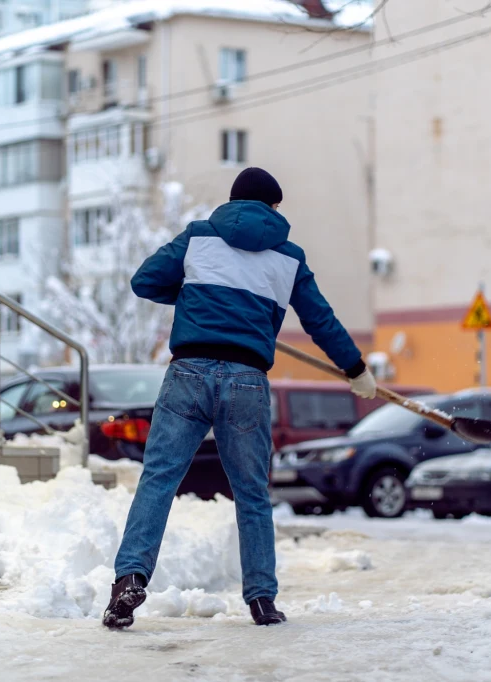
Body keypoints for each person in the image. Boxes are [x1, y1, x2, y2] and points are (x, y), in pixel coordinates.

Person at [103, 167, 377, 629]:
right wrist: (355, 369)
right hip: (247, 380)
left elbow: (144, 281)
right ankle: (262, 599)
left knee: (159, 480)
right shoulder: (289, 257)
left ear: (232, 203)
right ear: (273, 208)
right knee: (251, 493)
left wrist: (196, 294)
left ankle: (130, 577)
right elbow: (320, 321)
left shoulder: (198, 237)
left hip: (188, 372)